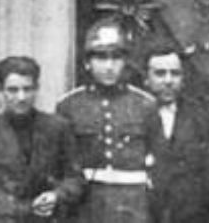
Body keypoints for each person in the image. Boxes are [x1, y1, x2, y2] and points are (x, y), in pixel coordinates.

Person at [56, 19, 157, 223]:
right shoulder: (69, 105)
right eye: (101, 58)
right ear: (87, 63)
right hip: (86, 206)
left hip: (133, 206)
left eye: (116, 58)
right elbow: (61, 165)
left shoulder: (146, 105)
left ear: (125, 62)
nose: (109, 66)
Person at [0, 56, 84, 222]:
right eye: (13, 90)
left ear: (37, 89)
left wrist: (56, 195)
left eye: (27, 89)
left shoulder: (58, 128)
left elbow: (75, 179)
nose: (21, 97)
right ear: (0, 92)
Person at [143, 44, 209, 223]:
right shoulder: (133, 116)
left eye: (175, 73)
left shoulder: (199, 118)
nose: (168, 80)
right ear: (146, 78)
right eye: (160, 73)